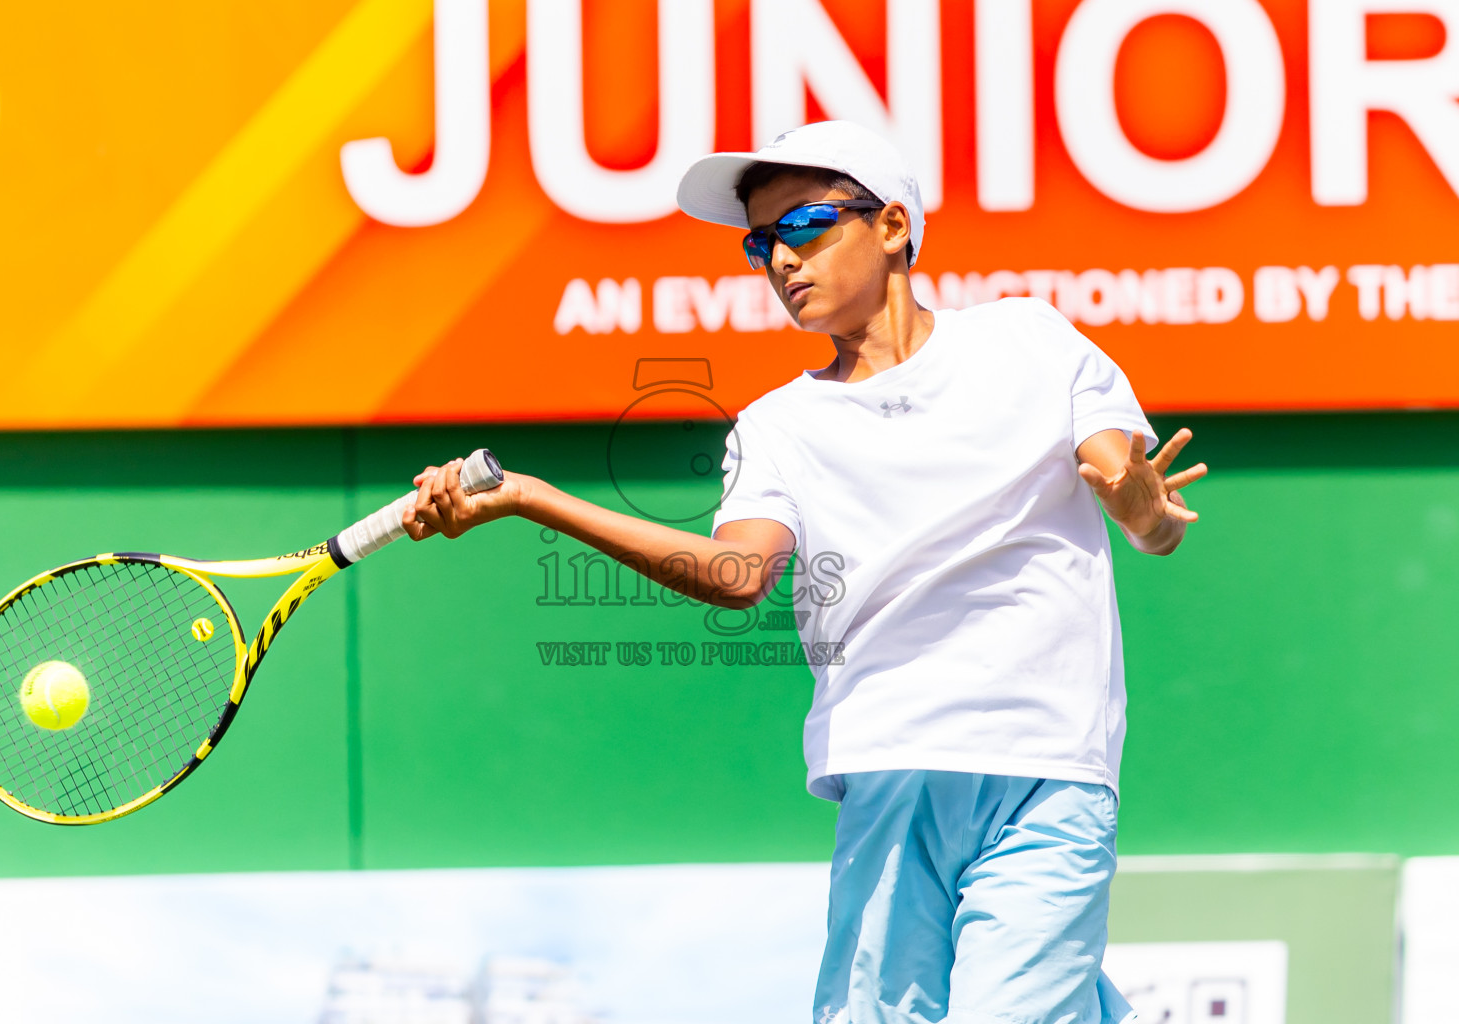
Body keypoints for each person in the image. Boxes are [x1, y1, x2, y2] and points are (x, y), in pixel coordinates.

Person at [402, 120, 1207, 1024]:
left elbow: (1138, 503)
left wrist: (1142, 512)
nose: (781, 260)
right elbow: (738, 573)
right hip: (887, 769)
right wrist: (530, 497)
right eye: (760, 242)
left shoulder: (1032, 340)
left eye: (804, 226)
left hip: (1044, 768)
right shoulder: (776, 426)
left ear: (894, 226)